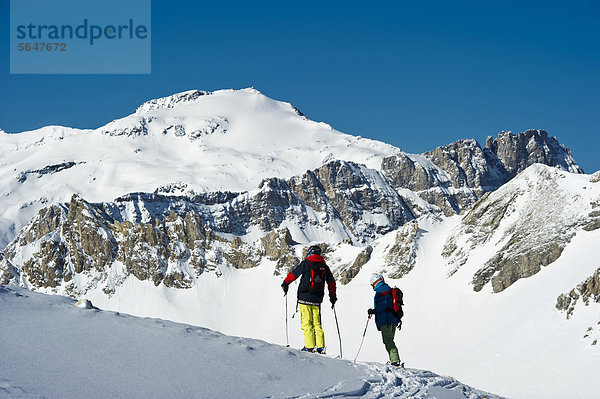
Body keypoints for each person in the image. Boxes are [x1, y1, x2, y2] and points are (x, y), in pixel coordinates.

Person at [281, 245, 337, 353]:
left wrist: (285, 283)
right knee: (317, 323)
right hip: (317, 299)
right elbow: (331, 283)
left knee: (307, 323)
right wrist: (333, 297)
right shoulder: (324, 266)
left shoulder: (306, 263)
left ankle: (309, 347)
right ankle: (321, 347)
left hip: (304, 298)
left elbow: (294, 274)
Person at [367, 274, 402, 367]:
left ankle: (395, 361)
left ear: (375, 282)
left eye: (372, 284)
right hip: (393, 319)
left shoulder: (381, 290)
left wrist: (374, 311)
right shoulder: (389, 289)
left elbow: (383, 305)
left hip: (385, 319)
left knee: (388, 340)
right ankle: (394, 360)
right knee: (390, 340)